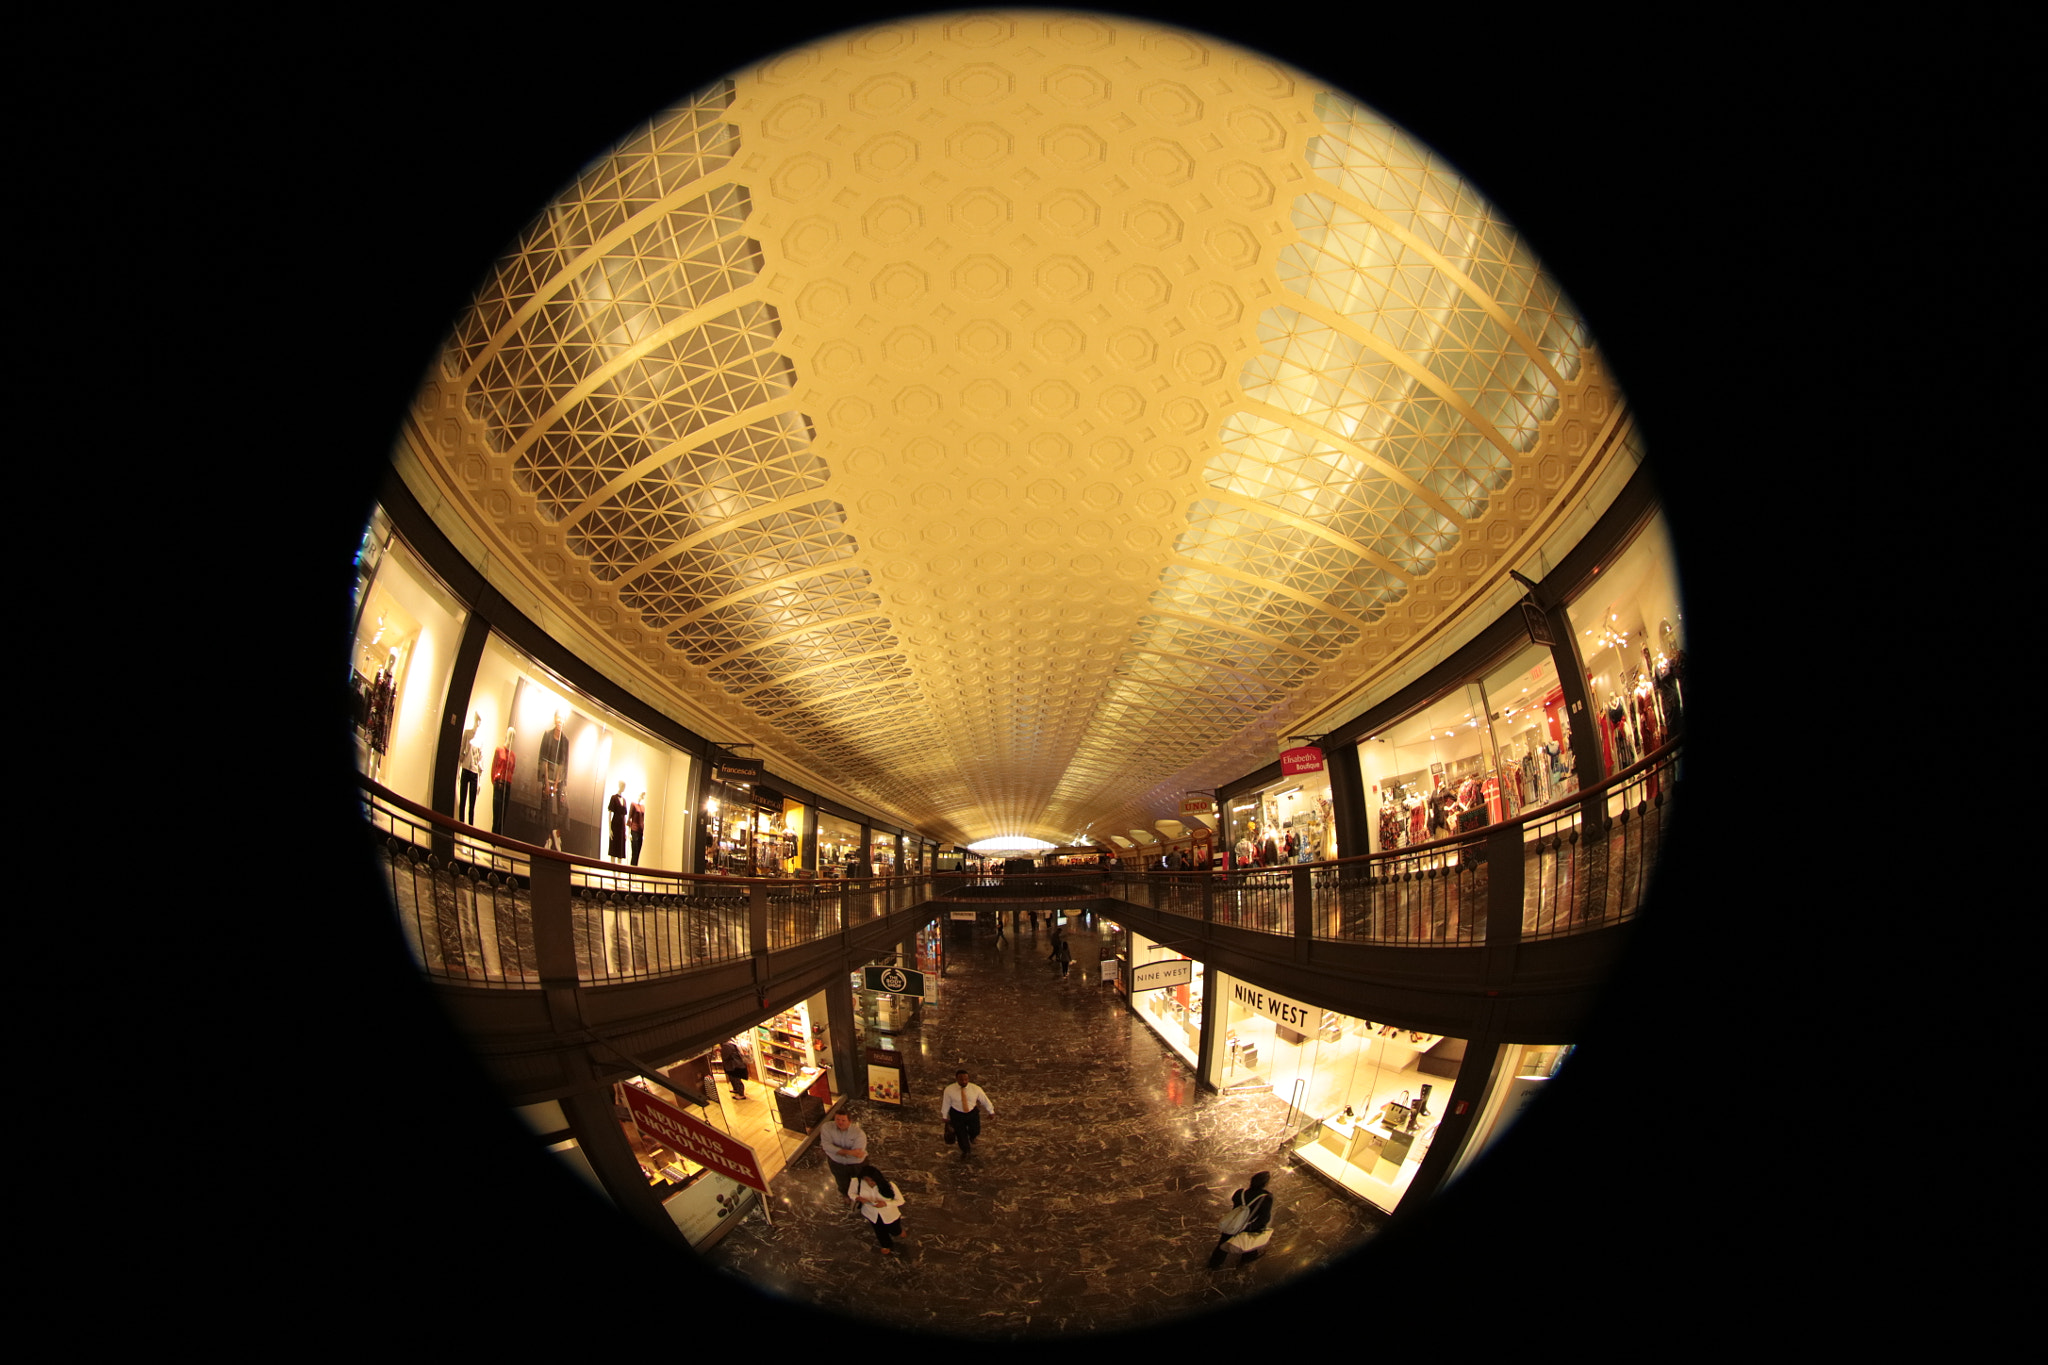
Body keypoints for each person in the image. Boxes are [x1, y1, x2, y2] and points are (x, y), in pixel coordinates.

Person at [1207, 1171, 1275, 1269]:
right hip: (1248, 1226)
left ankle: (1214, 1264)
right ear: (1265, 1184)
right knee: (1250, 1241)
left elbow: (1235, 1203)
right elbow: (1264, 1218)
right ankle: (1247, 1258)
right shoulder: (1266, 1198)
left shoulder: (1240, 1192)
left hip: (1233, 1223)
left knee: (1223, 1244)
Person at [851, 1164, 907, 1254]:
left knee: (894, 1228)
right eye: (867, 1180)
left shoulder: (889, 1185)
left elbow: (901, 1201)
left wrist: (885, 1203)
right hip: (872, 1214)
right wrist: (859, 1198)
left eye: (872, 1180)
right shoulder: (856, 1182)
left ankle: (898, 1232)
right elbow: (851, 1193)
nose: (870, 1183)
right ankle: (886, 1244)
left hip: (889, 1214)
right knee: (879, 1230)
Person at [940, 1068, 994, 1160]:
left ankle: (972, 1136)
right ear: (957, 1079)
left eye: (966, 1079)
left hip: (972, 1113)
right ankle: (966, 1150)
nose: (964, 1081)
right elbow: (946, 1103)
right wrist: (944, 1115)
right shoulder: (949, 1090)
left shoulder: (976, 1089)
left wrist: (991, 1111)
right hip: (957, 1114)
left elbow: (984, 1100)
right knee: (961, 1134)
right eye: (961, 1079)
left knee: (975, 1129)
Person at [819, 1110, 869, 1201]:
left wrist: (836, 1151)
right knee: (841, 1181)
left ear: (850, 1121)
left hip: (856, 1164)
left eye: (843, 1120)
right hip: (836, 1163)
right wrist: (849, 1152)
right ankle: (846, 1195)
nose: (840, 1122)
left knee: (860, 1180)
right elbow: (826, 1146)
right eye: (837, 1119)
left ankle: (860, 1196)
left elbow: (857, 1154)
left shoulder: (859, 1134)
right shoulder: (827, 1127)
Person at [607, 781, 628, 864]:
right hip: (615, 825)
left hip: (622, 827)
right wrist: (609, 829)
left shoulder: (624, 800)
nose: (623, 788)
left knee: (620, 851)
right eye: (622, 786)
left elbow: (625, 816)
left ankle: (619, 874)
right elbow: (610, 813)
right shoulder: (614, 798)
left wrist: (625, 830)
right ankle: (613, 873)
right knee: (613, 849)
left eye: (624, 786)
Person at [628, 791, 646, 865]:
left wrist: (643, 833)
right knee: (634, 852)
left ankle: (635, 871)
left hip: (640, 831)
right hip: (634, 829)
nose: (643, 796)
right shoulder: (633, 804)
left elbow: (643, 820)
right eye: (642, 794)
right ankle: (631, 871)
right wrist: (629, 833)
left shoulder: (643, 807)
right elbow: (629, 818)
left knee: (638, 852)